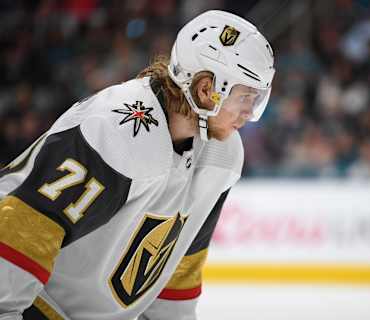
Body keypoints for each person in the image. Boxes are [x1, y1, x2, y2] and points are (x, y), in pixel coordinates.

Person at [0, 10, 275, 320]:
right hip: (34, 304)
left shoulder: (223, 156)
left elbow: (178, 266)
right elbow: (25, 227)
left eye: (257, 98)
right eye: (245, 96)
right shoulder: (117, 130)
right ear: (206, 89)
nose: (249, 111)